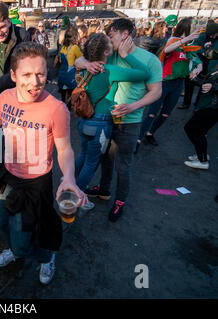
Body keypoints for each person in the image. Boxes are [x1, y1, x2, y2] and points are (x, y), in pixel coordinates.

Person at [0, 42, 87, 285]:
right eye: (27, 75)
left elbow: (64, 150)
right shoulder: (5, 97)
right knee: (0, 222)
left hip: (36, 183)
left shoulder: (56, 109)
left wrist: (70, 177)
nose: (35, 82)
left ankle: (45, 258)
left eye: (41, 74)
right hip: (7, 173)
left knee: (30, 235)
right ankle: (14, 250)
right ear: (13, 75)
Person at [75, 18, 162, 222]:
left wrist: (133, 106)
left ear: (124, 35)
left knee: (123, 164)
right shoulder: (109, 53)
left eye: (111, 34)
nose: (107, 37)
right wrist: (86, 63)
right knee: (104, 158)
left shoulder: (149, 59)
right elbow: (78, 60)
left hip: (128, 121)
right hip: (104, 120)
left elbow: (156, 91)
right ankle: (104, 189)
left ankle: (120, 200)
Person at [75, 34, 150, 197]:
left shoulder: (86, 67)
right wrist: (126, 55)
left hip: (83, 121)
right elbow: (145, 73)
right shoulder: (110, 71)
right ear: (107, 52)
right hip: (100, 124)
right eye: (110, 42)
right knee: (91, 163)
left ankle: (69, 182)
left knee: (83, 154)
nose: (113, 42)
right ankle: (75, 196)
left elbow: (77, 61)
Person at [137, 18, 201, 149]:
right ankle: (137, 140)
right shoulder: (174, 40)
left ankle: (150, 133)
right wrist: (185, 40)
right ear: (186, 28)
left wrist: (197, 68)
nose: (196, 26)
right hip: (164, 82)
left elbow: (197, 61)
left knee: (165, 114)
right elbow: (167, 50)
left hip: (178, 84)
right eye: (193, 25)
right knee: (151, 113)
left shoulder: (190, 45)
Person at [183, 25, 217, 170]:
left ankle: (203, 161)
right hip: (209, 102)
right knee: (199, 131)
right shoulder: (214, 65)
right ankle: (202, 155)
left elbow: (210, 86)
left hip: (213, 105)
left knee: (192, 129)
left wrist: (213, 87)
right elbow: (208, 55)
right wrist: (195, 79)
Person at [57, 23, 82, 107]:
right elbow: (81, 60)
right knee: (73, 98)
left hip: (61, 75)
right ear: (75, 36)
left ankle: (63, 110)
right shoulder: (75, 47)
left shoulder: (63, 47)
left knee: (63, 99)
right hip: (70, 77)